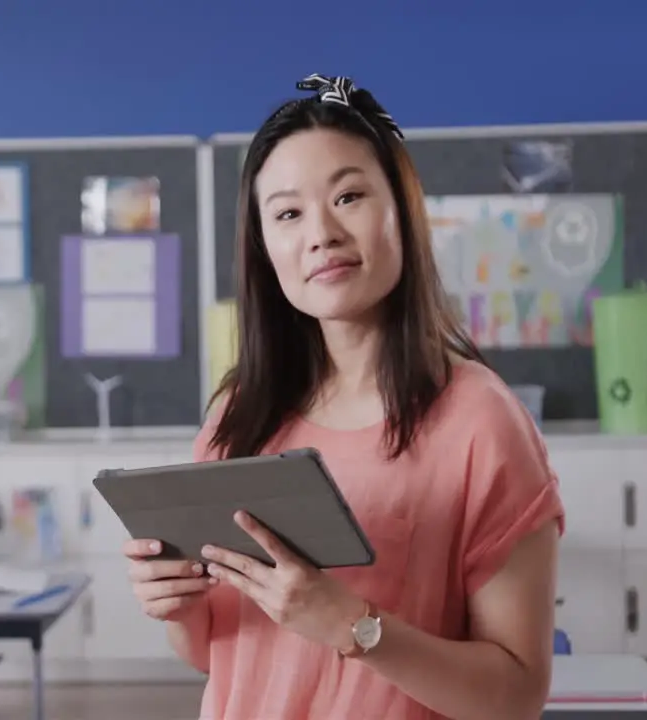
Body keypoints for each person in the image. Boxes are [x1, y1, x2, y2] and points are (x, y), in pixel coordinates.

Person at [122, 74, 565, 720]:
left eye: (349, 196)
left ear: (403, 212)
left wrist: (352, 626)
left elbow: (516, 696)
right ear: (264, 247)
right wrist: (177, 602)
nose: (321, 233)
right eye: (288, 214)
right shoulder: (239, 416)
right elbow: (215, 652)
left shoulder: (481, 421)